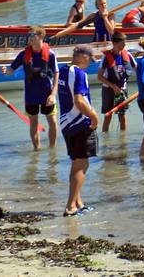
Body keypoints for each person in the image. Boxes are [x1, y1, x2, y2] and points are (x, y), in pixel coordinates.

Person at [1, 25, 59, 150]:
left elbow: (56, 73)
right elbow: (11, 70)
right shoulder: (23, 54)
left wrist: (53, 94)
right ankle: (36, 150)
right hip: (31, 95)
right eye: (29, 36)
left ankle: (52, 149)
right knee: (33, 123)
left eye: (32, 35)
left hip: (47, 94)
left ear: (40, 37)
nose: (29, 38)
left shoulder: (50, 54)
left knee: (53, 122)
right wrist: (6, 71)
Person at [57, 45, 99, 217]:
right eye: (90, 59)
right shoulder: (80, 74)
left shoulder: (63, 70)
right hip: (81, 124)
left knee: (76, 164)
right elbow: (80, 101)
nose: (90, 63)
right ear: (82, 56)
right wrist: (94, 117)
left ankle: (78, 202)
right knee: (82, 165)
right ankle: (70, 206)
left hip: (66, 125)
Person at [98, 31, 137, 132]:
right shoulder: (106, 57)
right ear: (115, 43)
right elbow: (100, 77)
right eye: (122, 43)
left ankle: (123, 143)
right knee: (108, 116)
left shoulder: (127, 55)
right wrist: (113, 87)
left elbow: (138, 70)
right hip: (108, 90)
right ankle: (106, 142)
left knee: (122, 116)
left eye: (125, 42)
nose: (124, 45)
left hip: (122, 89)